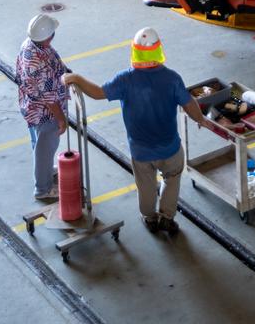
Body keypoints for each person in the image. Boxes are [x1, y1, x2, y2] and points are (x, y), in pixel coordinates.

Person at [62, 27, 217, 235]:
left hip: (141, 151)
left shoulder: (125, 79)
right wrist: (201, 120)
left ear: (134, 51)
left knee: (145, 186)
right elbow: (189, 105)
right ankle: (166, 217)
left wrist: (76, 78)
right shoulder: (172, 79)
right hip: (170, 147)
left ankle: (150, 218)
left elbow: (98, 93)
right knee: (172, 178)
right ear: (158, 50)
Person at [15, 12, 68, 203]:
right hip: (44, 113)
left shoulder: (30, 45)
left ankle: (44, 171)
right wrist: (61, 119)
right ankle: (43, 188)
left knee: (39, 144)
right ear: (48, 36)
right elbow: (49, 97)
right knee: (46, 147)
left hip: (30, 106)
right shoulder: (38, 63)